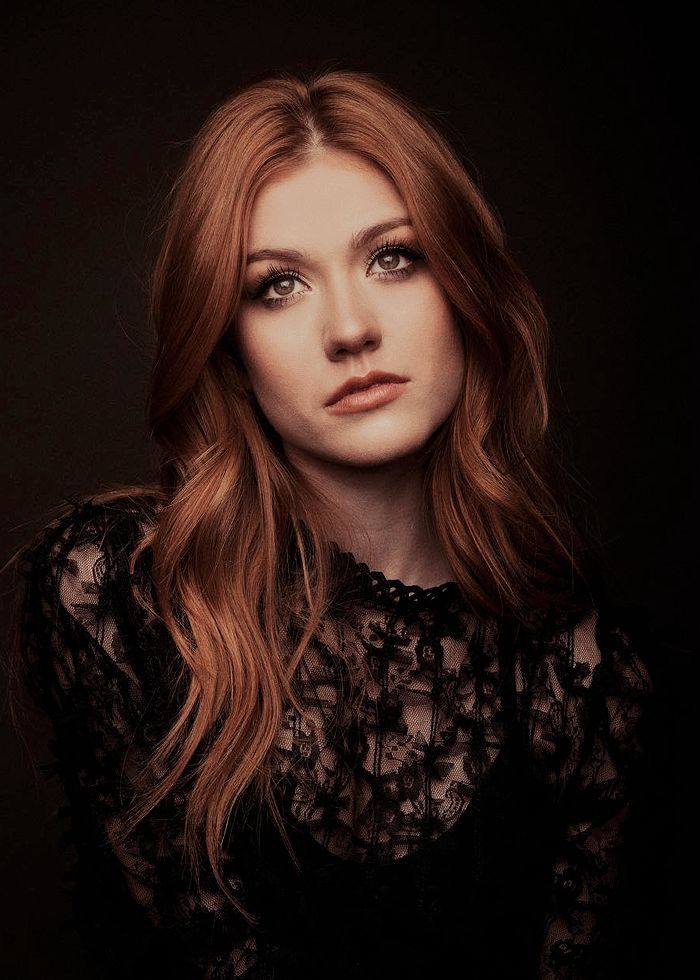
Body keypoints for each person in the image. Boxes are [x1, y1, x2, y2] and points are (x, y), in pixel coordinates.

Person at [6, 68, 656, 979]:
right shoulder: (122, 595)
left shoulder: (578, 672)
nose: (350, 328)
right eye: (278, 286)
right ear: (227, 345)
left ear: (465, 289)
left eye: (394, 257)